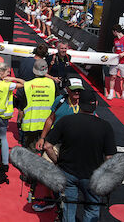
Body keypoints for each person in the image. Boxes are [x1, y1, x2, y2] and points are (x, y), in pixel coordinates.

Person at [43, 90, 116, 222]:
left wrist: (58, 162)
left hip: (68, 173)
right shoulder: (106, 127)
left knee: (69, 206)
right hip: (92, 175)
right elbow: (110, 158)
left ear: (79, 104)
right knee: (92, 208)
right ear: (97, 104)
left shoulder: (66, 121)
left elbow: (47, 146)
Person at [32, 77, 86, 212]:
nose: (77, 93)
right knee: (45, 169)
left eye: (79, 90)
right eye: (74, 90)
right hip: (56, 143)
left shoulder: (85, 104)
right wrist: (42, 138)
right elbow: (50, 119)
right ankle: (48, 197)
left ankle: (72, 200)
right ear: (67, 89)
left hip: (76, 146)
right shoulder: (60, 100)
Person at [19, 59, 56, 152]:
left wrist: (19, 121)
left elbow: (22, 107)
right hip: (47, 124)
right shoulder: (53, 84)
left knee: (29, 155)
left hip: (30, 125)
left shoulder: (28, 85)